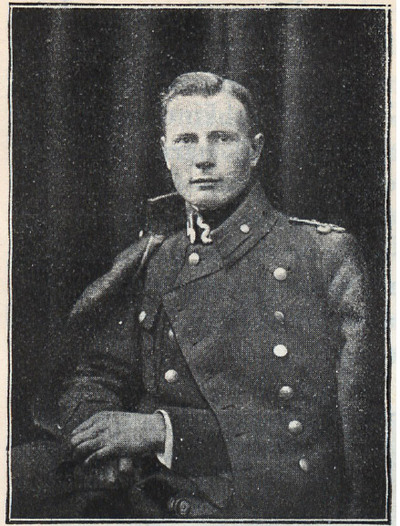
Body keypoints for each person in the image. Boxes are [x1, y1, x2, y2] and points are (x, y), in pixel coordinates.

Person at [12, 72, 381, 519]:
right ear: (166, 152)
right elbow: (100, 371)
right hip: (144, 490)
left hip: (251, 502)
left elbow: (318, 426)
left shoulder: (319, 256)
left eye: (222, 138)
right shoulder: (157, 256)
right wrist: (104, 436)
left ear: (255, 150)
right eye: (186, 140)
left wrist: (160, 431)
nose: (203, 158)